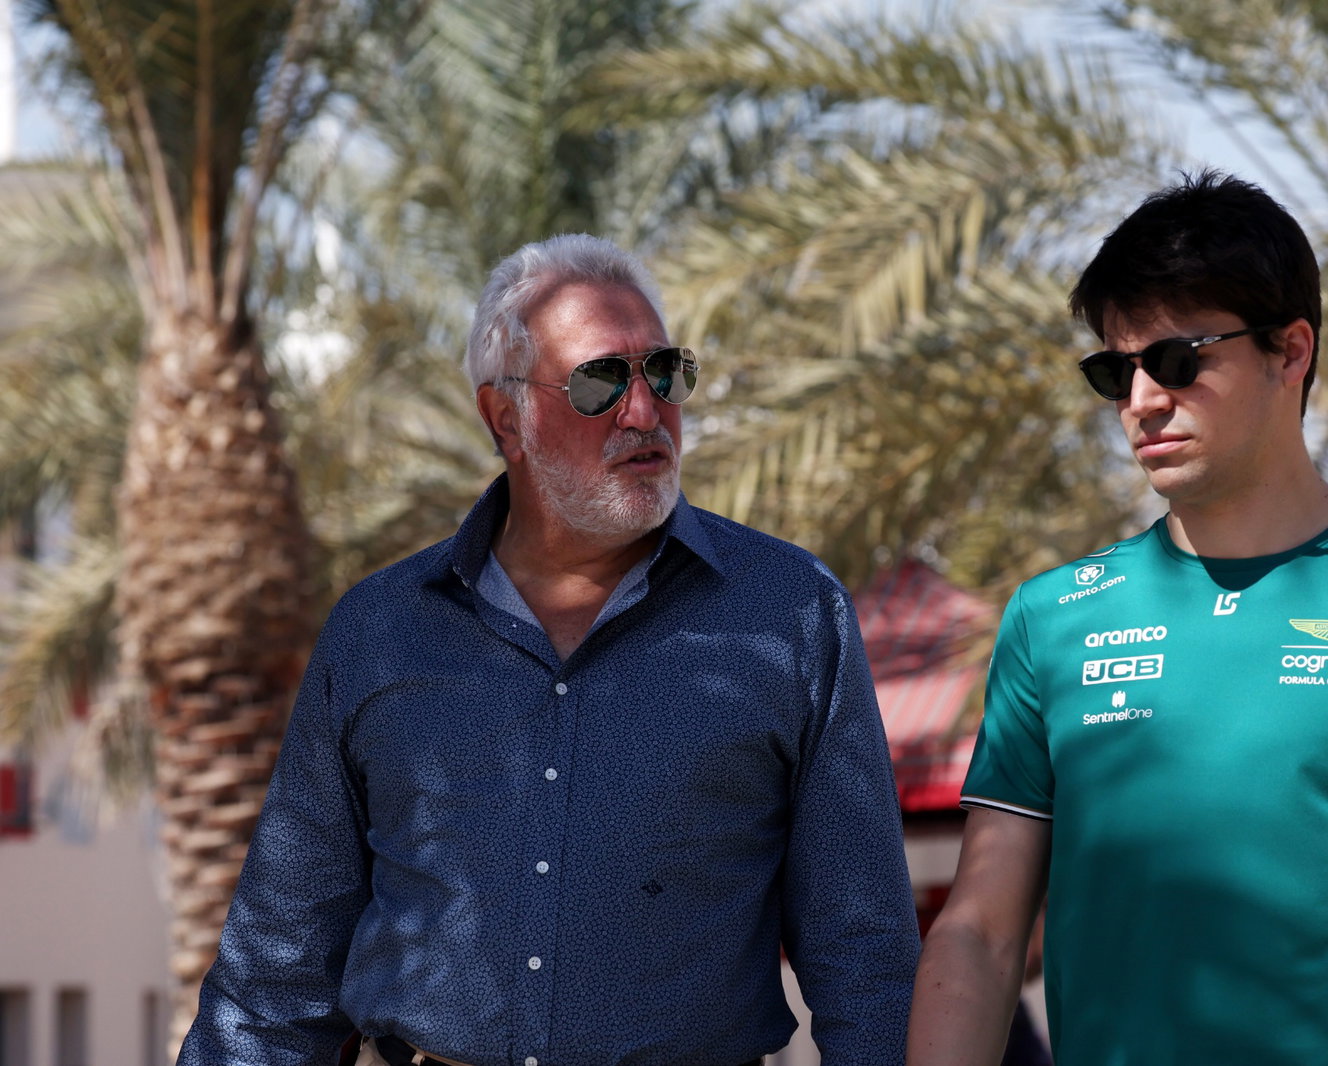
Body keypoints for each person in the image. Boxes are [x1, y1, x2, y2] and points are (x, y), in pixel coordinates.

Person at [178, 235, 921, 1066]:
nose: (645, 412)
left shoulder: (790, 615)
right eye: (601, 382)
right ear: (507, 419)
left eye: (664, 373)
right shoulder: (379, 635)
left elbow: (867, 958)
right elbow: (276, 981)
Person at [907, 171, 1328, 1065]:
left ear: (1290, 350)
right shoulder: (1052, 619)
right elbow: (980, 936)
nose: (1143, 398)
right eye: (1117, 369)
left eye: (1179, 360)